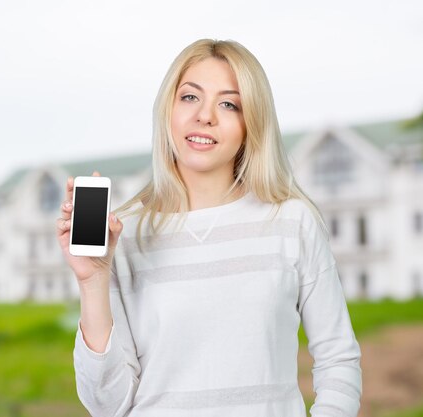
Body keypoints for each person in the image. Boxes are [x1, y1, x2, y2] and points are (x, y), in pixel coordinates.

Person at [56, 38, 362, 417]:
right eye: (189, 97)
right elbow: (107, 405)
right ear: (167, 109)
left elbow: (338, 360)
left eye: (229, 104)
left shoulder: (291, 221)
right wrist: (92, 281)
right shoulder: (123, 234)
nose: (205, 116)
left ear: (252, 124)